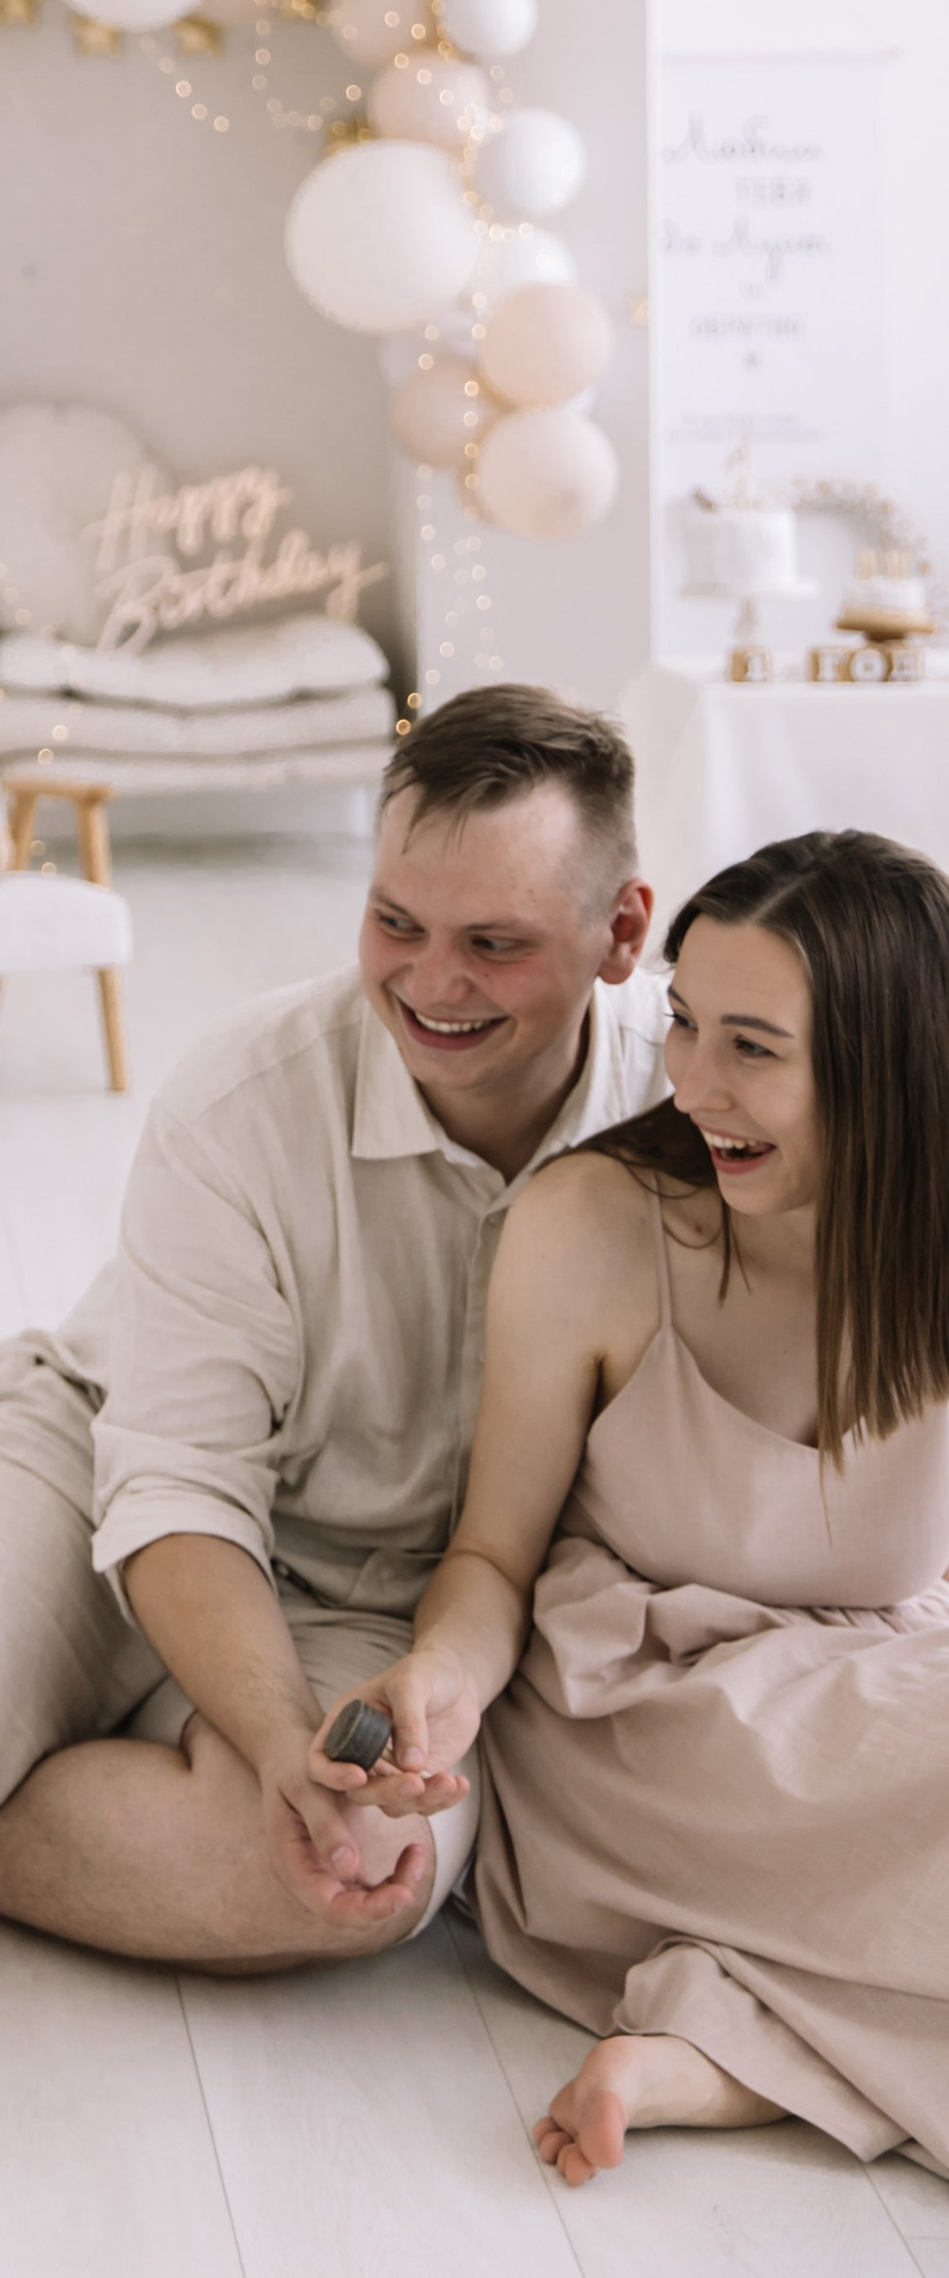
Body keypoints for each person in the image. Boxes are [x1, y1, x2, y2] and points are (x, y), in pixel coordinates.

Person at [0, 682, 664, 1968]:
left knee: (345, 1877)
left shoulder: (697, 1110)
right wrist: (270, 1739)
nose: (430, 982)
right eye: (393, 922)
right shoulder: (247, 1098)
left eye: (494, 944)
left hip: (404, 1611)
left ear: (620, 929)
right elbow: (177, 1476)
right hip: (106, 1465)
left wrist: (328, 1759)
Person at [316, 827, 949, 2183]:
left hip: (876, 1696)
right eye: (683, 1025)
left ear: (896, 1068)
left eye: (754, 1047)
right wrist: (441, 1679)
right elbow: (492, 1550)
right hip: (646, 1723)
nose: (696, 1083)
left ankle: (714, 2054)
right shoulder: (598, 1226)